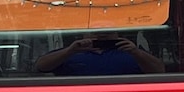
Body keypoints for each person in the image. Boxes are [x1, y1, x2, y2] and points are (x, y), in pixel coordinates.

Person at [33, 33, 164, 76]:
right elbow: (41, 66)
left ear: (117, 34)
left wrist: (136, 52)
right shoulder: (71, 52)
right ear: (85, 34)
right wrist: (70, 51)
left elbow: (160, 72)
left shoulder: (130, 52)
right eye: (95, 31)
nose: (101, 35)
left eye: (107, 32)